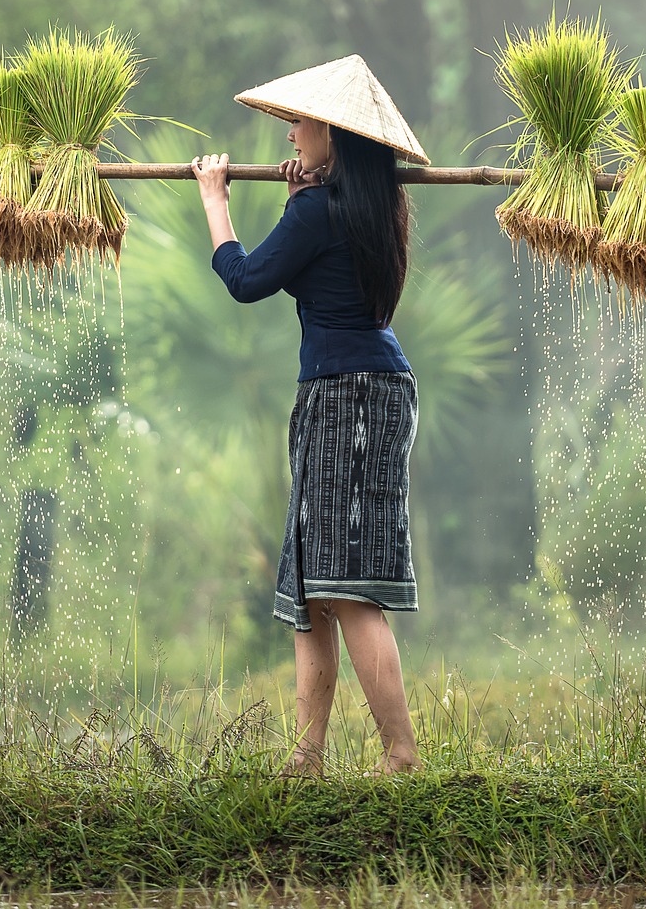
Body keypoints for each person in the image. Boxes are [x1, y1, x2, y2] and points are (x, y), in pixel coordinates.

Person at [190, 54, 430, 776]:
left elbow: (246, 278)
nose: (290, 135)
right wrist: (301, 198)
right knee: (314, 584)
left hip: (348, 396)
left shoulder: (319, 212)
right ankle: (308, 754)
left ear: (332, 131)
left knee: (344, 586)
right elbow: (314, 257)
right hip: (363, 388)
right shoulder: (369, 208)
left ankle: (401, 751)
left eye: (299, 122)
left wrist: (214, 197)